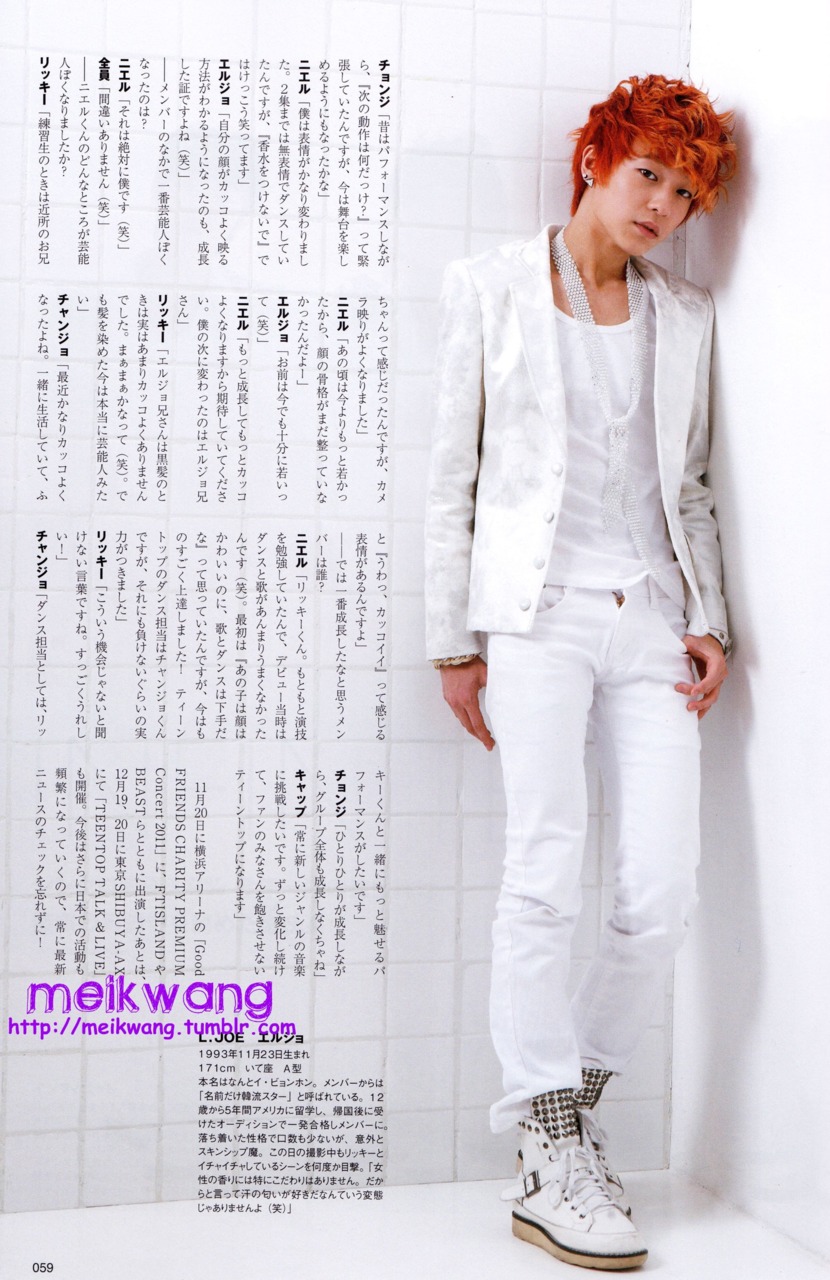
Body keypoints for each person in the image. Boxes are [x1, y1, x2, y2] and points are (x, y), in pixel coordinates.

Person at [424, 75, 737, 1270]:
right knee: (543, 869)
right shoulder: (490, 287)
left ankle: (565, 1110)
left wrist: (708, 616)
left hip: (646, 617)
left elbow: (688, 484)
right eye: (647, 172)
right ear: (596, 161)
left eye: (683, 190)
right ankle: (552, 1144)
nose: (660, 203)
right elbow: (451, 475)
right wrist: (454, 642)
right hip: (534, 620)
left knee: (658, 888)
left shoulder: (684, 315)